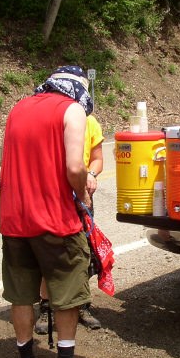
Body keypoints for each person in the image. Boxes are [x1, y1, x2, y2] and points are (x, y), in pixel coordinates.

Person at [0, 65, 97, 358]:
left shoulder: (18, 108)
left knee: (21, 293)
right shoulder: (71, 110)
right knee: (66, 293)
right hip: (55, 219)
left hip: (15, 219)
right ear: (78, 91)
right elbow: (74, 166)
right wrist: (82, 192)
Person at [35, 113, 104, 334]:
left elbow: (97, 158)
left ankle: (82, 306)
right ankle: (46, 308)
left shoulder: (90, 122)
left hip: (81, 195)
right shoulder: (51, 118)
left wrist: (91, 173)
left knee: (82, 254)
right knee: (50, 253)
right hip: (52, 196)